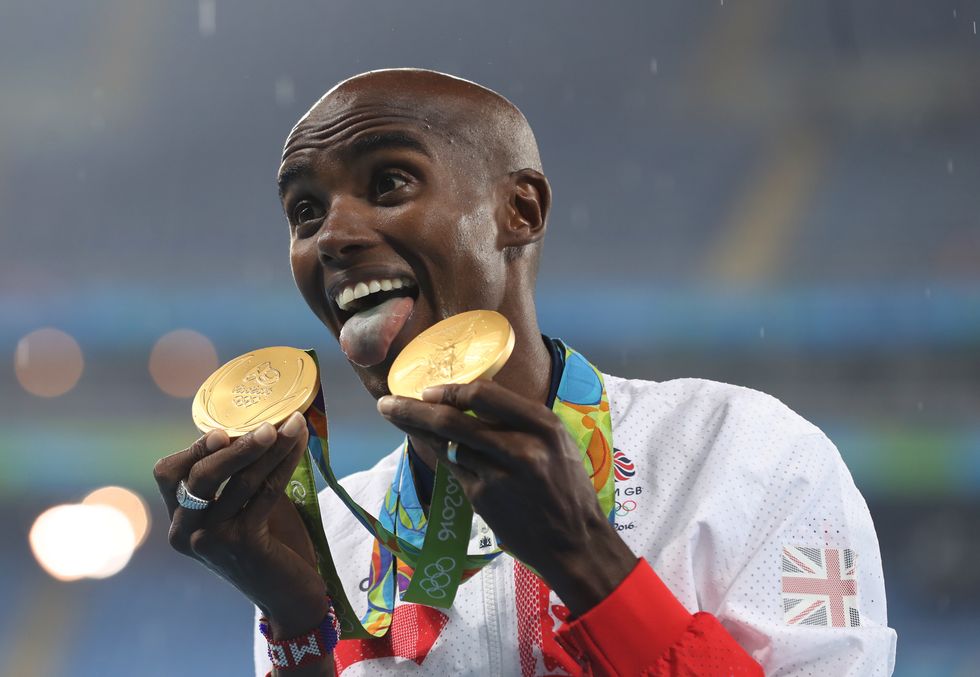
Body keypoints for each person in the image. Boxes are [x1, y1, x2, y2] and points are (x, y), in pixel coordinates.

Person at [153, 69, 897, 676]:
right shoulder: (338, 549)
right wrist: (297, 634)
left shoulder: (748, 455)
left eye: (389, 186)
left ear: (520, 209)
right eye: (306, 210)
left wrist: (586, 556)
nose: (335, 235)